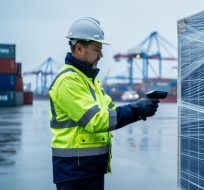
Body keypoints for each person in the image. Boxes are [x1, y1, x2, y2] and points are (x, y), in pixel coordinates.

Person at [48, 17, 159, 190]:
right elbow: (97, 121)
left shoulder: (89, 81)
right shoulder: (68, 81)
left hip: (88, 169)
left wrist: (141, 109)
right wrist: (137, 109)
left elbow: (111, 111)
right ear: (79, 49)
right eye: (97, 49)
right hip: (74, 173)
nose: (101, 55)